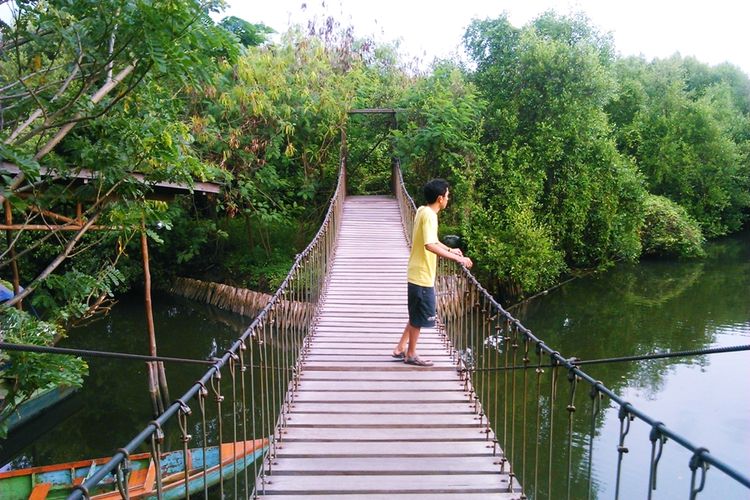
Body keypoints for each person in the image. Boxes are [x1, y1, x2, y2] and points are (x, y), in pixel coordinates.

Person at [392, 179, 473, 366]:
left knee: (415, 313)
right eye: (447, 195)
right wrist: (458, 259)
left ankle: (400, 348)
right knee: (419, 316)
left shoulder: (422, 210)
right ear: (440, 198)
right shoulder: (430, 216)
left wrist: (451, 250)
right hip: (421, 275)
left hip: (416, 272)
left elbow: (433, 239)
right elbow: (429, 245)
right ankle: (410, 354)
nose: (448, 198)